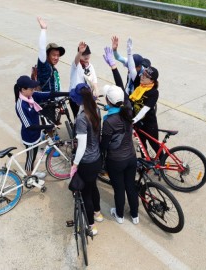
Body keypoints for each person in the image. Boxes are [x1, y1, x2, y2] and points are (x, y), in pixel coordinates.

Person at [101, 47, 139, 224]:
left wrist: (101, 158)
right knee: (131, 186)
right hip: (131, 157)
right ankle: (135, 215)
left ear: (108, 101)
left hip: (116, 161)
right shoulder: (129, 111)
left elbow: (105, 144)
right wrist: (114, 67)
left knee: (119, 188)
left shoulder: (109, 121)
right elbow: (123, 91)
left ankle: (120, 216)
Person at [14, 76, 67, 182]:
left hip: (36, 133)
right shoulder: (20, 105)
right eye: (31, 88)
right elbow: (29, 126)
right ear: (23, 90)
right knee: (31, 158)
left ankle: (32, 172)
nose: (34, 90)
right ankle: (29, 177)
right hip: (29, 137)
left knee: (33, 155)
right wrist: (46, 127)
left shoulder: (31, 96)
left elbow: (50, 94)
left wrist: (69, 93)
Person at [69, 83, 103, 235]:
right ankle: (98, 213)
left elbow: (81, 146)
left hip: (86, 162)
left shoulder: (83, 118)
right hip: (97, 158)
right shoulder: (96, 109)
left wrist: (74, 165)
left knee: (85, 194)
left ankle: (91, 225)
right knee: (93, 186)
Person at [126, 39, 161, 156]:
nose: (142, 77)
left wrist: (134, 120)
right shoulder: (139, 85)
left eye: (146, 76)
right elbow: (131, 68)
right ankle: (145, 163)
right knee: (141, 145)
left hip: (148, 124)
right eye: (143, 74)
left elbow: (145, 109)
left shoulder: (153, 92)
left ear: (151, 80)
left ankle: (161, 162)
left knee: (154, 145)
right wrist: (129, 52)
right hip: (138, 123)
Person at [36, 16, 65, 124]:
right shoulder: (44, 66)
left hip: (54, 103)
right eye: (53, 55)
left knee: (53, 126)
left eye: (58, 55)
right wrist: (43, 30)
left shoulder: (53, 68)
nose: (56, 57)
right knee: (49, 130)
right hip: (46, 104)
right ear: (47, 56)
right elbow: (42, 49)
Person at [69, 41, 98, 118]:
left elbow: (94, 80)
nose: (86, 56)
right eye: (83, 54)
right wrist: (79, 53)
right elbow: (76, 60)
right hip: (76, 96)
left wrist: (96, 90)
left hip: (87, 96)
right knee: (78, 118)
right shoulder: (76, 65)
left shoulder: (90, 66)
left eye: (88, 54)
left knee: (89, 117)